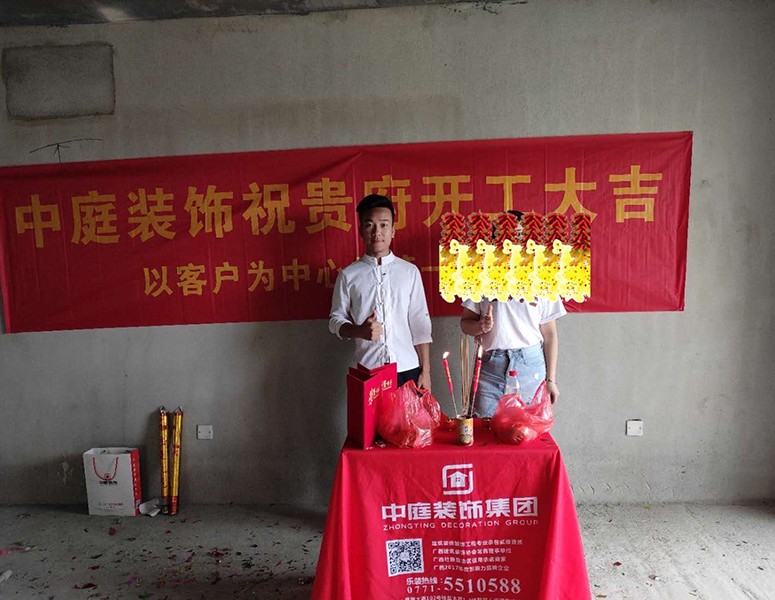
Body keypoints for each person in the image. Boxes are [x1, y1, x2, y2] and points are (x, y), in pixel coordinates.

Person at [460, 211, 565, 417]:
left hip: (530, 365)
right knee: (484, 430)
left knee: (528, 430)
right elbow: (465, 324)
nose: (513, 241)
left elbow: (550, 334)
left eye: (519, 234)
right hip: (491, 366)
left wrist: (551, 380)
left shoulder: (543, 276)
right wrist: (480, 326)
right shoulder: (481, 275)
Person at [329, 194, 432, 389]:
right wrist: (359, 331)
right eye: (369, 225)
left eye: (384, 225)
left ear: (393, 230)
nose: (377, 232)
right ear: (361, 230)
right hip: (368, 370)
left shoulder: (409, 272)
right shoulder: (349, 275)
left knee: (408, 413)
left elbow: (420, 322)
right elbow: (335, 320)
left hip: (407, 368)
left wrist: (425, 371)